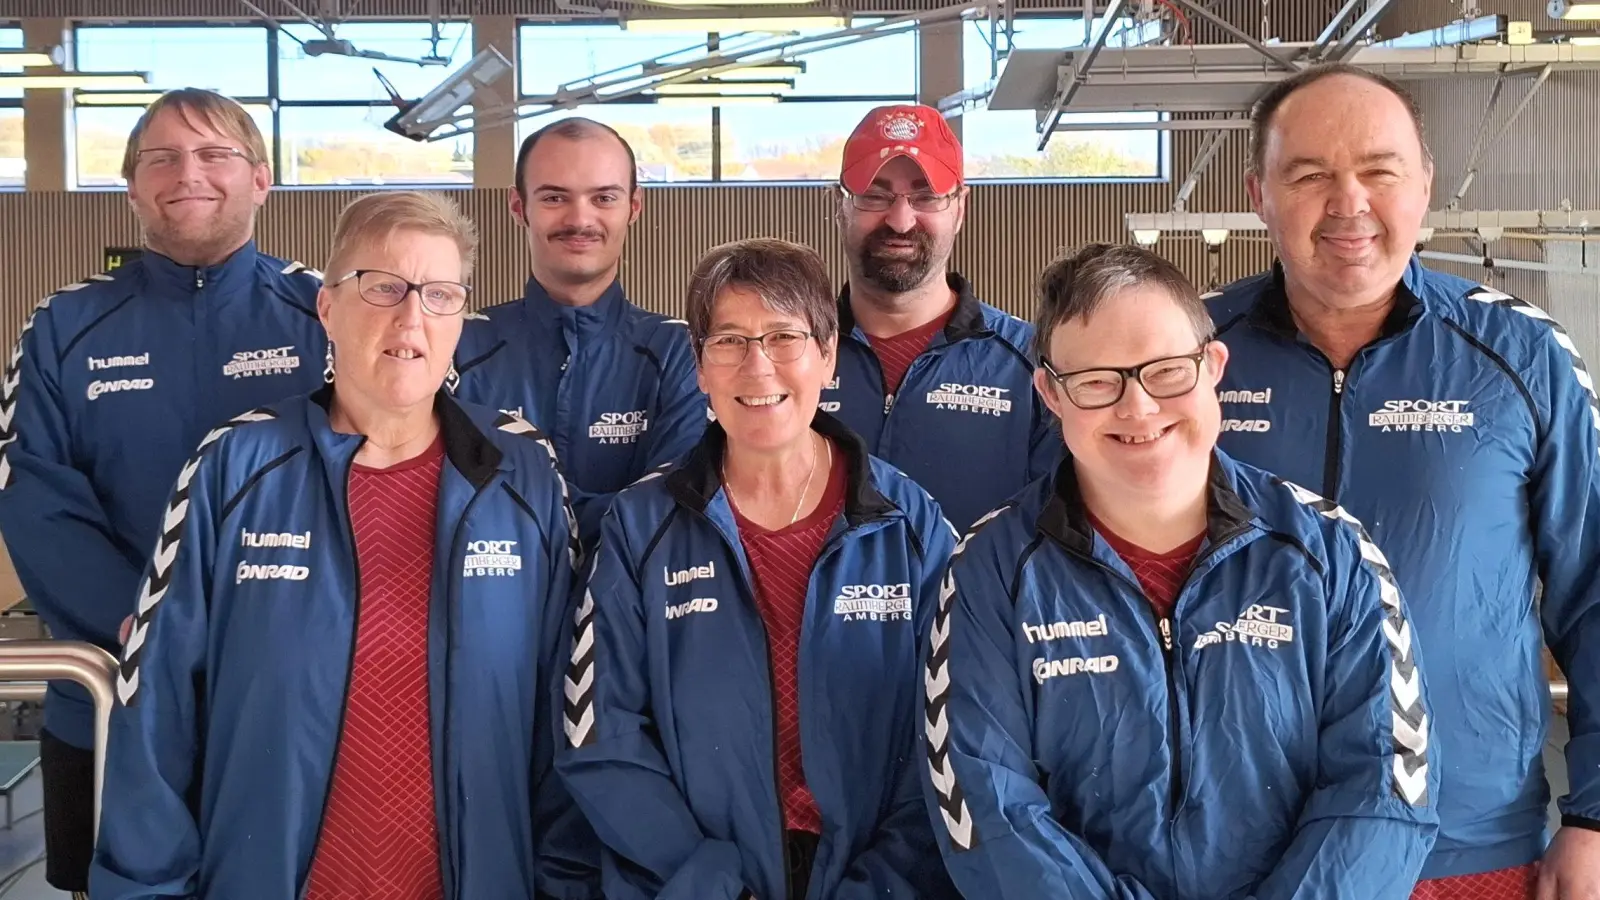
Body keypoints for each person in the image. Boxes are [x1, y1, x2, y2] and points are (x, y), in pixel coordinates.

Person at [89, 191, 592, 899]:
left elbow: (567, 713)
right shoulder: (235, 465)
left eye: (439, 294)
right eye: (382, 287)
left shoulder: (522, 470)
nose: (410, 317)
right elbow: (155, 711)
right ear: (327, 307)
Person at [922, 242, 1440, 898]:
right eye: (1097, 382)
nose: (1137, 408)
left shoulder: (1331, 554)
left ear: (1213, 366)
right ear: (1051, 393)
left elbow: (1386, 784)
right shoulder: (990, 573)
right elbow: (987, 808)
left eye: (1166, 371)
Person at [1207, 62, 1600, 900]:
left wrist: (1595, 815)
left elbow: (1595, 593)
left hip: (1464, 842)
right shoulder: (1188, 356)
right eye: (1308, 174)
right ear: (1259, 194)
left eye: (1379, 171)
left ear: (1424, 184)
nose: (1348, 203)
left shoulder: (1521, 358)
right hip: (1237, 845)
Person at [555, 237, 959, 900]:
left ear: (828, 356)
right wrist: (707, 878)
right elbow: (598, 730)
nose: (758, 366)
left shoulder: (910, 526)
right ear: (699, 367)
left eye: (783, 337)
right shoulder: (641, 528)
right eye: (730, 341)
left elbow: (952, 732)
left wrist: (882, 884)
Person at [0, 88, 328, 898]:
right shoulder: (64, 327)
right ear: (133, 186)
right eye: (163, 158)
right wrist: (152, 625)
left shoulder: (324, 314)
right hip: (112, 696)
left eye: (216, 153)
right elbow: (32, 493)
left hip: (284, 692)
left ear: (261, 179)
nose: (190, 173)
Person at [452, 116, 706, 549]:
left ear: (634, 207)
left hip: (633, 610)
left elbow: (671, 508)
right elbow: (444, 503)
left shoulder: (680, 351)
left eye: (603, 197)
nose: (580, 218)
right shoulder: (457, 346)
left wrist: (521, 511)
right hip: (494, 608)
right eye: (554, 197)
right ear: (519, 208)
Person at [823, 103, 1060, 531]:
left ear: (960, 208)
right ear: (840, 205)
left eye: (926, 196)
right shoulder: (784, 359)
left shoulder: (1033, 366)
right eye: (874, 195)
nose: (900, 220)